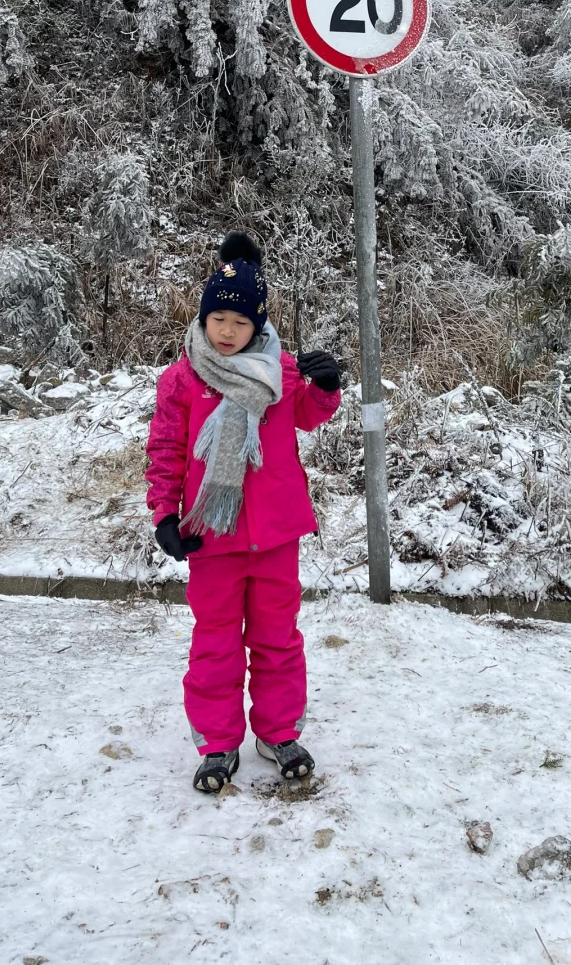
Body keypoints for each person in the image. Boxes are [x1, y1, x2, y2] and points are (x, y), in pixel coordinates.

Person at [145, 231, 342, 794]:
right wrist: (164, 514)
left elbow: (306, 414)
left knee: (278, 639)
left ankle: (278, 732)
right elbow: (165, 450)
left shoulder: (280, 371)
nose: (228, 332)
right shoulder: (182, 379)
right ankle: (216, 743)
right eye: (218, 320)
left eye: (240, 322)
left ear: (258, 325)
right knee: (216, 641)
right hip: (213, 534)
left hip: (277, 534)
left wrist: (324, 387)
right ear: (203, 319)